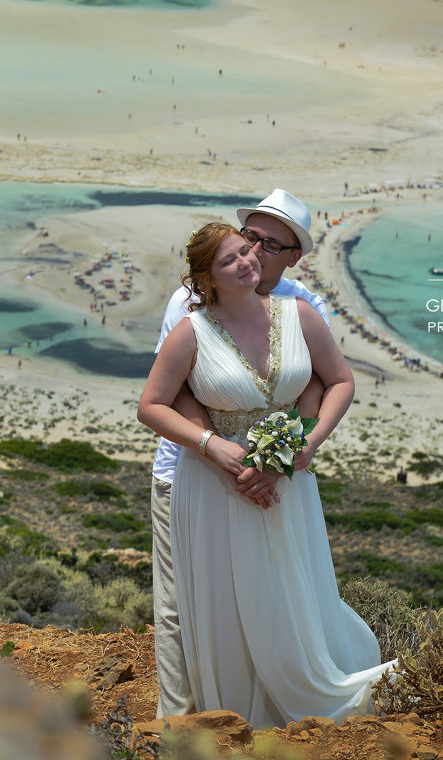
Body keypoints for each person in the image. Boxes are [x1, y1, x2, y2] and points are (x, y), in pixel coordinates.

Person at [138, 222, 392, 727]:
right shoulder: (191, 331)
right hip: (214, 486)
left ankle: (304, 691)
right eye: (232, 258)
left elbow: (339, 381)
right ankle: (233, 713)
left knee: (291, 585)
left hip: (288, 482)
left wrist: (304, 447)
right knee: (228, 599)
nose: (248, 261)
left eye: (248, 251)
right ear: (207, 278)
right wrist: (213, 446)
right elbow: (151, 406)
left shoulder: (299, 315)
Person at [147, 189, 333, 717]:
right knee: (185, 602)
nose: (253, 251)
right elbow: (180, 392)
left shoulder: (305, 306)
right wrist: (228, 460)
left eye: (269, 244)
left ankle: (270, 707)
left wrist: (278, 460)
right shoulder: (187, 308)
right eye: (248, 236)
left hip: (275, 479)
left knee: (273, 593)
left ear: (294, 255)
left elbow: (315, 384)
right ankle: (182, 722)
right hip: (192, 473)